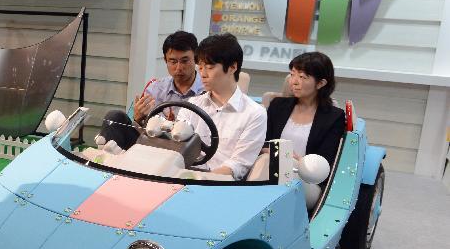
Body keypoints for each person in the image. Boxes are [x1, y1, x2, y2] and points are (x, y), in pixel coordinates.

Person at [177, 33, 267, 179]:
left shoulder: (254, 114)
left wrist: (202, 179)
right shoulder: (191, 105)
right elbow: (176, 148)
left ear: (232, 67)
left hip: (221, 186)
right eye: (200, 68)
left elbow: (238, 165)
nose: (203, 74)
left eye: (210, 67)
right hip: (182, 179)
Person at [97, 30, 205, 150]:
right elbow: (140, 129)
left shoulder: (207, 90)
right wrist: (137, 118)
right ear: (165, 60)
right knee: (115, 116)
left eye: (185, 61)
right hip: (153, 147)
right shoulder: (155, 88)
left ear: (196, 59)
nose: (179, 68)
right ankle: (104, 163)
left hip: (190, 150)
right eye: (173, 61)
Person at [266, 52, 345, 167]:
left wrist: (294, 159)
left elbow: (325, 163)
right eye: (292, 74)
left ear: (320, 83)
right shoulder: (277, 105)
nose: (294, 82)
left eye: (302, 77)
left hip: (306, 178)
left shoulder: (334, 117)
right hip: (269, 169)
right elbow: (261, 144)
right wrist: (272, 152)